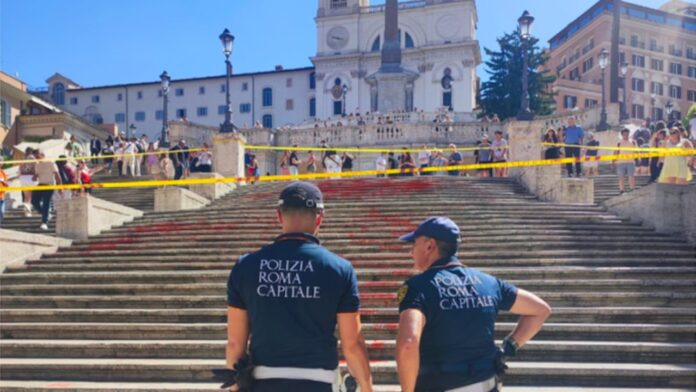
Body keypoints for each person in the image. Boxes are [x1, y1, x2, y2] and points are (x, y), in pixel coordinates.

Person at [223, 182, 373, 392]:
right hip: (318, 383)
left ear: (278, 215)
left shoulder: (245, 266)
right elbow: (352, 344)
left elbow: (234, 344)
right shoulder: (340, 269)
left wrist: (234, 387)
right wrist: (367, 387)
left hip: (262, 382)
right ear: (320, 217)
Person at [395, 217, 551, 392]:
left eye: (414, 244)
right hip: (486, 384)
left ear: (430, 246)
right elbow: (540, 310)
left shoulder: (418, 287)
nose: (411, 252)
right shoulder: (489, 282)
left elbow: (408, 343)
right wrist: (508, 348)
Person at [32, 151, 63, 230]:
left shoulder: (51, 163)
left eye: (38, 157)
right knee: (34, 201)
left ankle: (44, 222)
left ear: (43, 155)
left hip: (49, 185)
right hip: (41, 184)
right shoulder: (37, 164)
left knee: (46, 202)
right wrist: (34, 177)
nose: (37, 158)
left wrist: (60, 187)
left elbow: (57, 176)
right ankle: (46, 214)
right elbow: (36, 175)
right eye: (35, 157)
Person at [613, 128, 637, 194]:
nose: (626, 135)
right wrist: (613, 161)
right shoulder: (619, 143)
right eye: (624, 134)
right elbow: (615, 152)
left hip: (630, 162)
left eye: (627, 134)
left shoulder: (633, 142)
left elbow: (636, 151)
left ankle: (632, 188)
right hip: (621, 162)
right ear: (622, 135)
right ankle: (621, 190)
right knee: (621, 177)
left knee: (631, 176)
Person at [19, 147, 37, 216]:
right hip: (30, 177)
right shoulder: (32, 158)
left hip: (23, 178)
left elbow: (20, 169)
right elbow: (35, 166)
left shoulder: (23, 158)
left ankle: (27, 211)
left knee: (26, 197)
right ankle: (29, 209)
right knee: (32, 195)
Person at [0, 156, 7, 226]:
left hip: (2, 197)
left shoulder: (3, 173)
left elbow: (7, 184)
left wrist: (3, 181)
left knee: (1, 212)